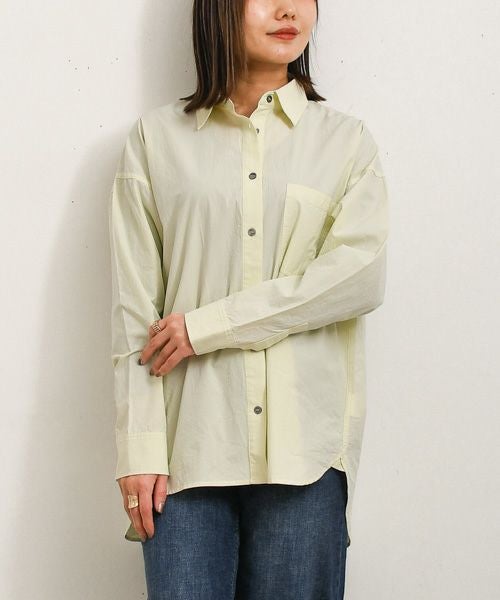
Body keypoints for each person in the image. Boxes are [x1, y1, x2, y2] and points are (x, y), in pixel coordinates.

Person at [107, 0, 389, 598]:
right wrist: (138, 449)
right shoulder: (155, 141)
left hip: (305, 457)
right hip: (185, 457)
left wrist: (209, 327)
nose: (289, 10)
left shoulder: (346, 143)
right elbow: (135, 310)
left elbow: (357, 278)